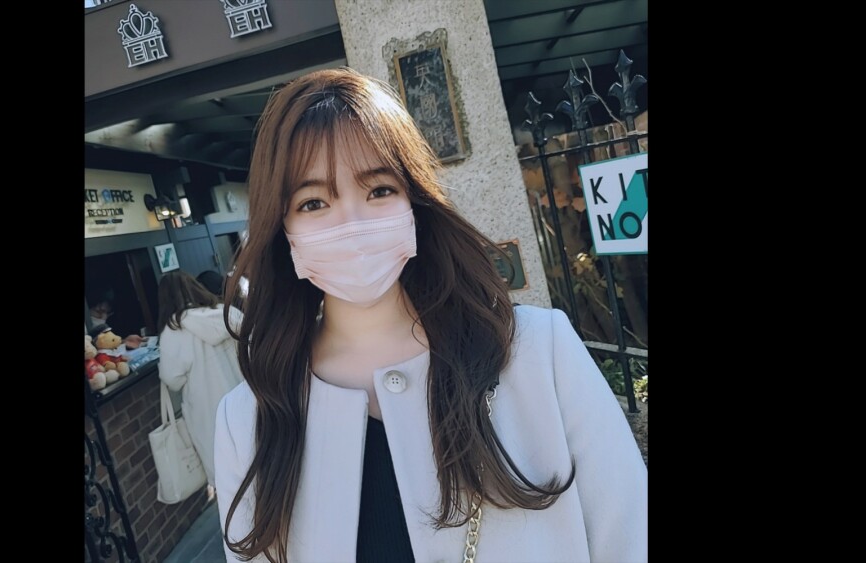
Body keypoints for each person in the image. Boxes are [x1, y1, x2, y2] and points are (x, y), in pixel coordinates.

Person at [214, 67, 647, 562]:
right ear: (282, 228)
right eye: (313, 202)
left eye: (379, 190)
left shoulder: (538, 353)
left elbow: (631, 537)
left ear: (414, 202)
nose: (352, 225)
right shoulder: (247, 419)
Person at [157, 270, 244, 486]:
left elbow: (172, 379)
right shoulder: (226, 313)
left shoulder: (173, 331)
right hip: (245, 399)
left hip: (209, 415)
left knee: (229, 479)